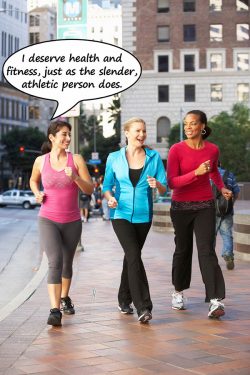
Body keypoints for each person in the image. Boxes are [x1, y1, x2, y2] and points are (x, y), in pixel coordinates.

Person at [167, 110, 232, 319]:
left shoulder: (212, 149)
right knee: (183, 250)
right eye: (186, 124)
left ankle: (215, 300)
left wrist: (221, 188)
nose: (188, 127)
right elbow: (171, 182)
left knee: (207, 250)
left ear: (202, 126)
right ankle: (178, 291)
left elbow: (213, 171)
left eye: (193, 123)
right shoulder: (176, 150)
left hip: (205, 205)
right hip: (181, 207)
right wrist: (195, 173)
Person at [103, 117, 167, 323]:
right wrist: (110, 198)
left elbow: (164, 187)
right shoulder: (114, 157)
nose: (142, 135)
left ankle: (123, 299)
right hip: (120, 214)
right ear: (127, 133)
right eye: (137, 131)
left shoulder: (153, 157)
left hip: (144, 215)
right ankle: (144, 307)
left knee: (132, 256)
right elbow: (106, 187)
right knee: (133, 254)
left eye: (144, 131)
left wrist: (156, 183)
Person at [30, 120, 93, 327]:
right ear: (52, 137)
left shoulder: (76, 160)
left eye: (69, 134)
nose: (67, 139)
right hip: (47, 218)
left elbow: (89, 190)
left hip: (72, 221)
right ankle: (55, 310)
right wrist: (37, 193)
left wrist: (75, 177)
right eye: (63, 135)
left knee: (67, 263)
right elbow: (33, 180)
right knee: (54, 261)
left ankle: (65, 297)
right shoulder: (41, 161)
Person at [215, 162, 240, 270]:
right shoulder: (229, 175)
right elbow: (236, 192)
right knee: (227, 234)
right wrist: (231, 204)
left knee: (210, 236)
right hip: (226, 210)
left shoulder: (205, 175)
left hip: (210, 211)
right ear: (220, 164)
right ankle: (228, 255)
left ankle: (210, 259)